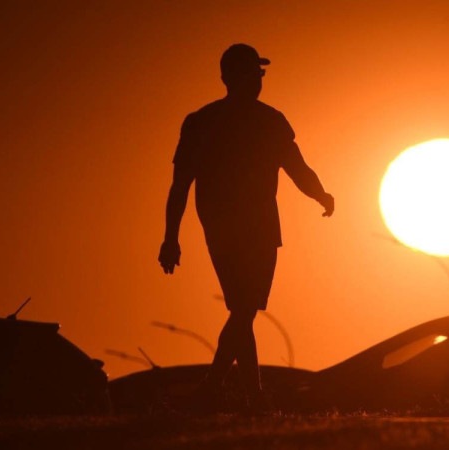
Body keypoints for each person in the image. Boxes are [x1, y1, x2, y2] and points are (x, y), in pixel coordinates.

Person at [158, 43, 334, 412]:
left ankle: (251, 395)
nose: (257, 80)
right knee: (245, 308)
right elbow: (180, 184)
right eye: (252, 73)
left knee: (242, 308)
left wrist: (320, 195)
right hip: (237, 228)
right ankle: (213, 387)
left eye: (259, 74)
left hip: (248, 227)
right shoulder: (203, 123)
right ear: (229, 78)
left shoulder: (265, 121)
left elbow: (297, 168)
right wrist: (170, 237)